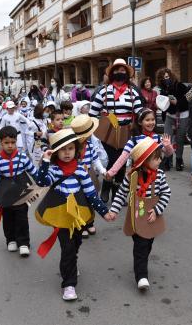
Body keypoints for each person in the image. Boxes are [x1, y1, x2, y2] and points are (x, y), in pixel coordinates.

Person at [35, 129, 114, 301]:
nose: (67, 152)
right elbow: (41, 181)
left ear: (76, 150)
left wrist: (104, 213)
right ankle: (69, 284)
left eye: (70, 148)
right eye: (62, 149)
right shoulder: (54, 170)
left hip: (78, 215)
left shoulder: (80, 170)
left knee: (76, 243)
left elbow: (91, 194)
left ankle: (71, 264)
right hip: (60, 215)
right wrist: (45, 161)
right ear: (56, 152)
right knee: (67, 248)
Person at [108, 137, 171, 290]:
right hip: (136, 216)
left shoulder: (160, 175)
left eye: (159, 157)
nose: (159, 160)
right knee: (140, 245)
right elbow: (121, 193)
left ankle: (141, 262)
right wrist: (113, 211)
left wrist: (157, 210)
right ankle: (141, 276)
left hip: (152, 216)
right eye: (156, 158)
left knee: (148, 243)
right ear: (144, 161)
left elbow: (166, 193)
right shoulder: (132, 176)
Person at [89, 58, 144, 203]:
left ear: (126, 73)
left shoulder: (132, 92)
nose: (120, 73)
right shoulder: (104, 91)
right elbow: (92, 114)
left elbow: (140, 111)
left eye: (122, 70)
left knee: (123, 161)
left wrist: (148, 116)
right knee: (113, 161)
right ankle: (107, 187)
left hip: (127, 131)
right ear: (112, 73)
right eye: (117, 70)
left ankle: (116, 193)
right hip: (108, 132)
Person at [0, 126, 40, 257]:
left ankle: (24, 243)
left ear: (16, 141)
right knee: (7, 217)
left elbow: (33, 172)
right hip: (5, 193)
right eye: (6, 143)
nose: (10, 146)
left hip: (21, 191)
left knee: (22, 217)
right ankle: (11, 240)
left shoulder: (22, 157)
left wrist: (42, 181)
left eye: (13, 142)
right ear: (1, 143)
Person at [106, 109, 173, 179]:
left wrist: (168, 146)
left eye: (153, 119)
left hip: (155, 175)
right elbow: (123, 158)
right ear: (140, 122)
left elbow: (168, 154)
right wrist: (111, 172)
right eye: (147, 120)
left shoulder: (157, 138)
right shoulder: (134, 140)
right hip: (138, 175)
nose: (151, 122)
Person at [71, 114, 108, 238]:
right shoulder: (72, 147)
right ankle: (81, 224)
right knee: (79, 200)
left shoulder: (90, 145)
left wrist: (102, 171)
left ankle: (90, 222)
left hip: (90, 175)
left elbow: (95, 160)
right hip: (75, 177)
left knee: (91, 199)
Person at [157, 68, 189, 171]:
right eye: (163, 78)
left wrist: (177, 103)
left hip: (182, 115)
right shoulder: (163, 89)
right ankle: (167, 159)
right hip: (169, 116)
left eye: (167, 77)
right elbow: (163, 106)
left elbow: (186, 102)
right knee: (167, 139)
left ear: (171, 75)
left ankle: (179, 160)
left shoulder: (181, 86)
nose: (165, 79)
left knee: (180, 139)